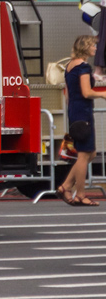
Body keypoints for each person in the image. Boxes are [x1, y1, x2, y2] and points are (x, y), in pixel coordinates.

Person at [58, 35, 106, 207]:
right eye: (93, 46)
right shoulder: (84, 67)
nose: (95, 49)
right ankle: (80, 194)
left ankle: (65, 186)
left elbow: (68, 94)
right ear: (85, 47)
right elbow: (86, 92)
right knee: (84, 155)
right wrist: (102, 94)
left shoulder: (70, 66)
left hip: (74, 111)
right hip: (83, 113)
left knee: (89, 153)